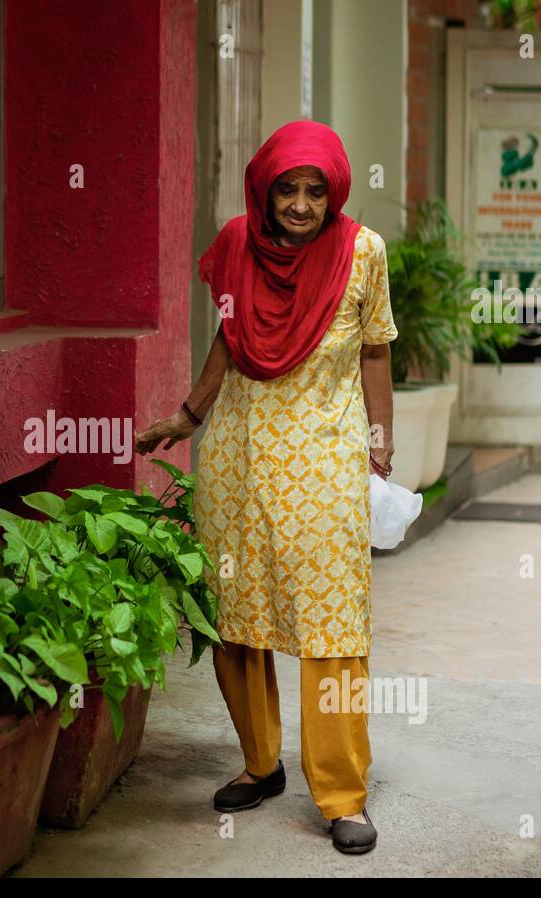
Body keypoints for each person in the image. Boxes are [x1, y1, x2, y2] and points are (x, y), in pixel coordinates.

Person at [135, 120, 396, 855]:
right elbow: (230, 337)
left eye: (317, 190)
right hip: (238, 461)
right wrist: (188, 415)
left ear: (334, 192)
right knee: (234, 616)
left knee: (331, 629)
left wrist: (381, 439)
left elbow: (375, 352)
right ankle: (260, 763)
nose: (303, 204)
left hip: (324, 462)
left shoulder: (363, 252)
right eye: (289, 188)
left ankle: (343, 797)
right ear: (266, 188)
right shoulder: (234, 245)